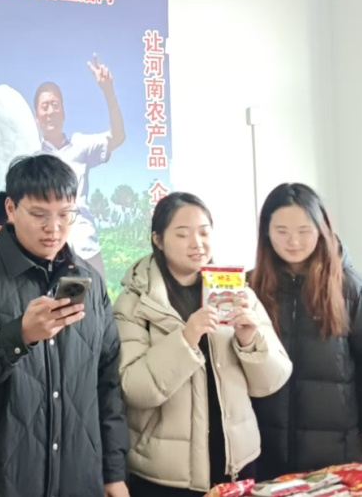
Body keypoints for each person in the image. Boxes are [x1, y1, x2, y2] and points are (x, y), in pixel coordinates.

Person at [0, 154, 130, 497]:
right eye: (39, 214)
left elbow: (107, 383)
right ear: (11, 209)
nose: (54, 227)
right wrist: (19, 336)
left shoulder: (91, 282)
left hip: (76, 477)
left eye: (65, 214)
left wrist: (112, 473)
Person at [113, 192, 292, 496]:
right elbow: (134, 388)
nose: (197, 243)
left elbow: (272, 380)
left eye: (204, 233)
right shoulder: (134, 303)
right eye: (183, 234)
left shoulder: (238, 293)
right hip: (166, 475)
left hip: (237, 463)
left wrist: (249, 340)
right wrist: (186, 339)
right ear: (158, 240)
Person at [247, 183, 362, 479]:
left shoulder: (349, 287)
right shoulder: (251, 288)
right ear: (266, 233)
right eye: (281, 231)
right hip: (264, 445)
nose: (293, 241)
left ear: (321, 230)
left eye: (304, 230)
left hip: (334, 447)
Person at [35, 55, 127, 278]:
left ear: (64, 112)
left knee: (97, 300)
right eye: (44, 107)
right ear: (37, 117)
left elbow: (118, 136)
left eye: (55, 105)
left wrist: (108, 91)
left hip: (86, 248)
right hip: (50, 253)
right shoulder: (33, 155)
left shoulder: (81, 145)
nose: (50, 111)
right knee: (58, 301)